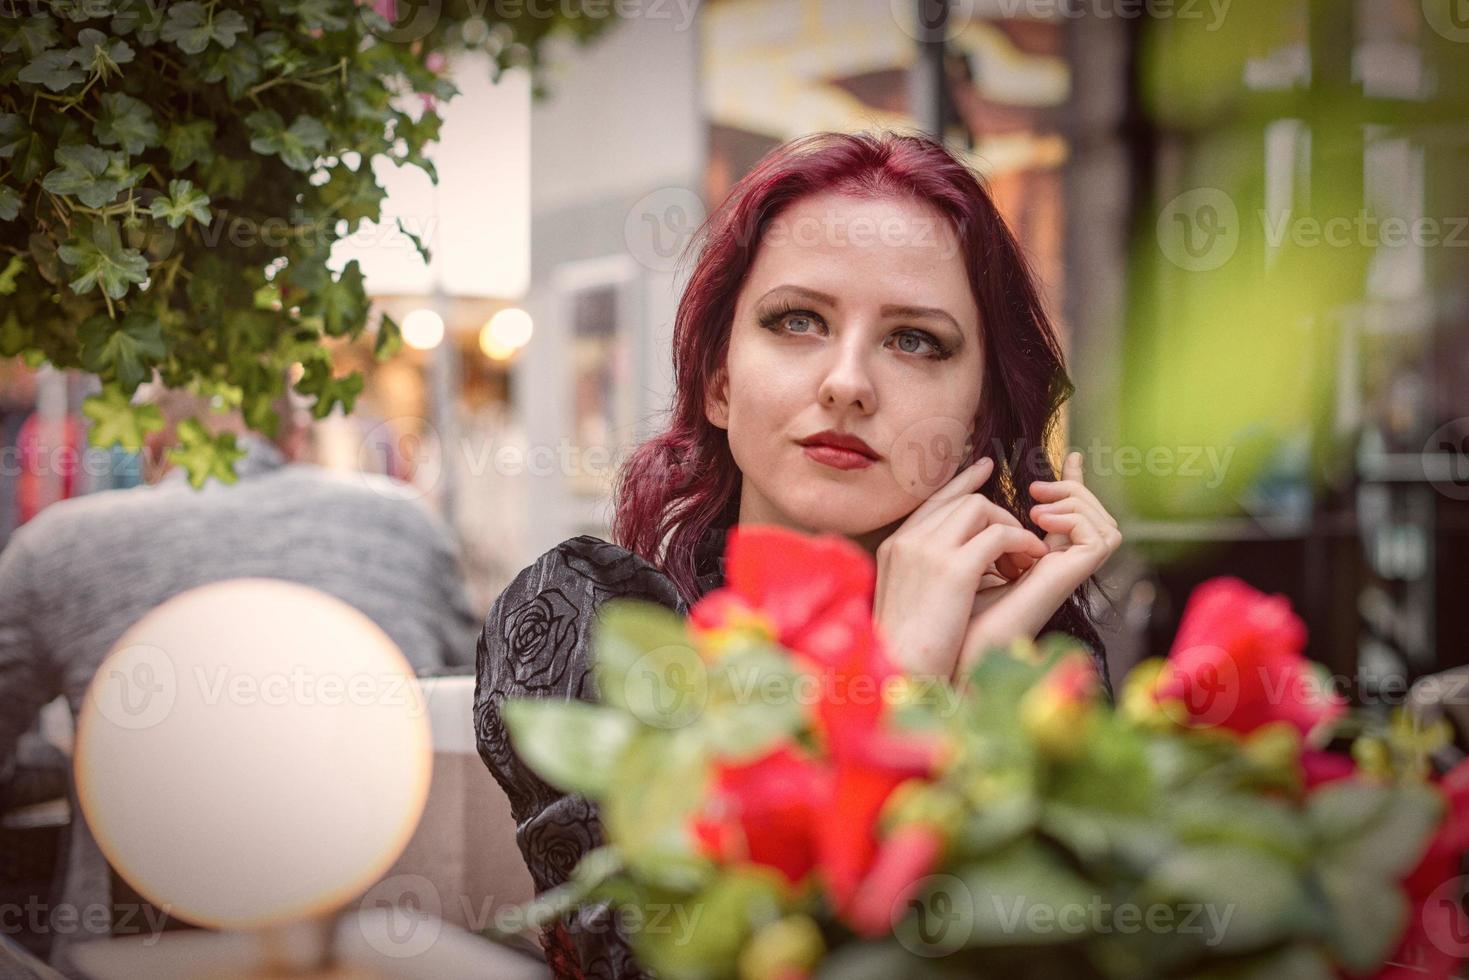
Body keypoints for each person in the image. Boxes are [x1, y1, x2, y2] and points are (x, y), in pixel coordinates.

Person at [473, 130, 1125, 978]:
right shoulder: (595, 622)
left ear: (977, 418)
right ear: (718, 381)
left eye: (914, 340)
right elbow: (646, 958)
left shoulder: (1030, 655)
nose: (847, 381)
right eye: (797, 321)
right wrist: (897, 685)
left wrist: (983, 696)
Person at [0, 379, 479, 973]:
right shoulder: (409, 525)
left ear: (152, 440)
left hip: (131, 954)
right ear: (297, 435)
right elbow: (471, 719)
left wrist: (75, 761)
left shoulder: (58, 546)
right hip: (380, 947)